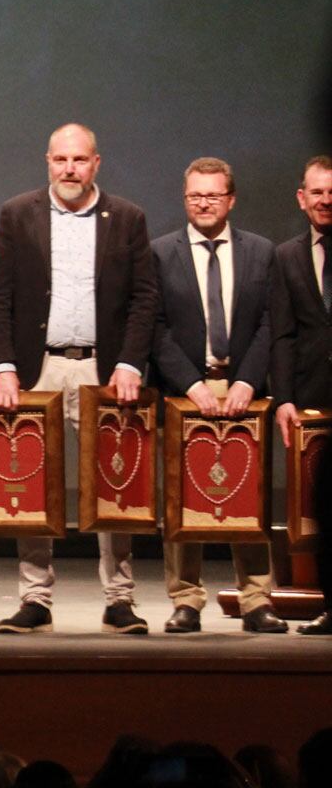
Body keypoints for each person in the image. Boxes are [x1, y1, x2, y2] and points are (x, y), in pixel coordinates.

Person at [0, 123, 158, 635]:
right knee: (32, 480)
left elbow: (144, 298)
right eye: (60, 159)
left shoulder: (127, 217)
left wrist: (130, 363)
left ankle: (119, 598)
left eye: (79, 160)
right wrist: (3, 366)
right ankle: (34, 597)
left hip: (103, 370)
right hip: (40, 367)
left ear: (96, 163)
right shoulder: (19, 213)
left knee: (113, 481)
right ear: (47, 161)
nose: (69, 169)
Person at [149, 157, 287, 634]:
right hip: (184, 390)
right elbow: (156, 328)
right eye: (195, 195)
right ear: (184, 199)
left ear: (231, 199)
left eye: (212, 195)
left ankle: (256, 599)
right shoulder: (160, 253)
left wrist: (247, 381)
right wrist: (191, 385)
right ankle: (185, 600)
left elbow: (271, 322)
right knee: (181, 497)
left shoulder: (261, 252)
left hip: (246, 390)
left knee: (249, 493)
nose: (203, 203)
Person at [270, 155, 332, 636]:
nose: (325, 200)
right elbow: (283, 334)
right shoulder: (287, 256)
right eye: (317, 192)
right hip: (311, 398)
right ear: (301, 198)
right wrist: (285, 398)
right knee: (321, 509)